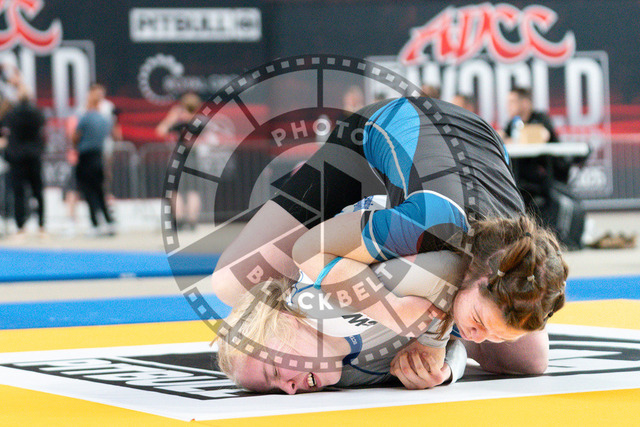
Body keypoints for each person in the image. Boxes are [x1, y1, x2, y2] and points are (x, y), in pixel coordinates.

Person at [211, 96, 568, 386]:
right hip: (368, 145)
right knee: (233, 283)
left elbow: (508, 316)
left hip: (477, 141)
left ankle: (449, 310)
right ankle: (302, 303)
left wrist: (442, 359)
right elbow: (309, 249)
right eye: (478, 323)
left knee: (528, 359)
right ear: (478, 276)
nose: (480, 335)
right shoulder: (426, 225)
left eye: (488, 333)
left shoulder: (518, 258)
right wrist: (389, 310)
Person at [1, 78, 46, 239]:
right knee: (37, 192)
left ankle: (21, 227)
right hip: (34, 157)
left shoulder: (11, 114)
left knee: (18, 193)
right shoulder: (38, 113)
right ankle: (41, 225)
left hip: (17, 158)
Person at [70, 84, 115, 236]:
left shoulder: (85, 117)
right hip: (98, 157)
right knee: (100, 191)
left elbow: (75, 136)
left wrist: (77, 145)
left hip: (86, 158)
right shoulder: (105, 120)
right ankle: (109, 222)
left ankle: (95, 224)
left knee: (89, 192)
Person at [156, 92, 203, 230]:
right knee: (193, 190)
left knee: (175, 191)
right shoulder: (200, 121)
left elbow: (160, 131)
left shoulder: (180, 123)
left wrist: (172, 117)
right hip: (193, 158)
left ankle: (179, 219)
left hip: (178, 158)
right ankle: (192, 220)